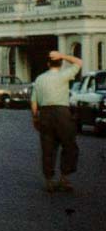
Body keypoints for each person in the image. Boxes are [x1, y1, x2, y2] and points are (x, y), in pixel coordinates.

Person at [30, 50, 82, 193]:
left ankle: (49, 180)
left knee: (48, 147)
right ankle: (64, 178)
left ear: (48, 64)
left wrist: (35, 117)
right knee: (69, 144)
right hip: (62, 112)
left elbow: (34, 101)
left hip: (45, 113)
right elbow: (79, 62)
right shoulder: (63, 75)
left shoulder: (40, 79)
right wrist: (63, 56)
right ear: (60, 63)